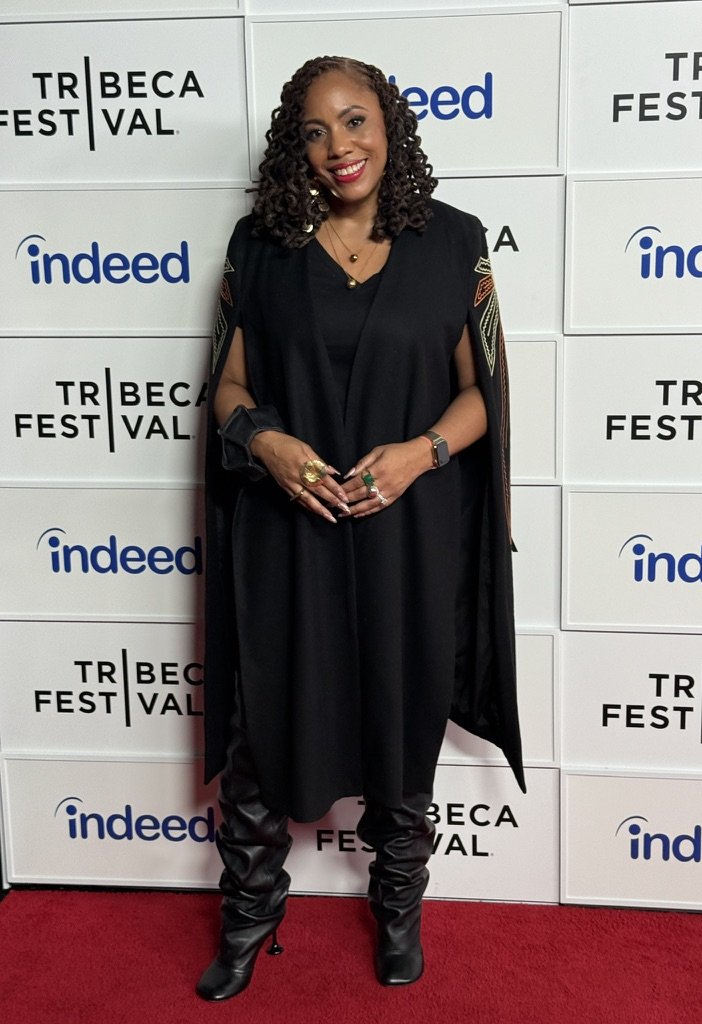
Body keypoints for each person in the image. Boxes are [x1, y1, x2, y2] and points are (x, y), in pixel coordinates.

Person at [198, 54, 524, 1001]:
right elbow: (225, 388)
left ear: (390, 127)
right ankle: (252, 914)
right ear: (292, 149)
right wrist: (266, 442)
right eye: (313, 130)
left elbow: (485, 395)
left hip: (406, 541)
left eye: (355, 121)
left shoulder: (454, 241)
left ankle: (397, 906)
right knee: (262, 729)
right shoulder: (259, 246)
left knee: (401, 711)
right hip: (283, 536)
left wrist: (421, 450)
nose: (338, 146)